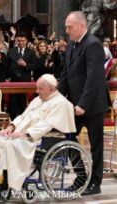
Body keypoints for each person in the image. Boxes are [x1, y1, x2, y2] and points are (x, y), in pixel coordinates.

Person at [0, 74, 76, 193]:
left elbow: (47, 125)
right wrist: (11, 127)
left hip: (41, 138)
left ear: (51, 89)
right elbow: (24, 116)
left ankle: (6, 184)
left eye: (40, 88)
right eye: (37, 87)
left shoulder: (61, 103)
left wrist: (25, 134)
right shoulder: (39, 99)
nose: (36, 91)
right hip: (24, 133)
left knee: (11, 143)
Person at [58, 11, 107, 195]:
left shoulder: (93, 44)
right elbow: (66, 75)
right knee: (69, 138)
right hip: (74, 104)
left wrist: (83, 104)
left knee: (96, 146)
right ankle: (80, 179)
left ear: (81, 26)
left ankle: (95, 183)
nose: (67, 30)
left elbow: (93, 78)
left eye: (69, 27)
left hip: (92, 105)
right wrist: (56, 99)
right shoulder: (71, 44)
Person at [7, 32, 37, 119]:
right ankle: (12, 123)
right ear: (16, 40)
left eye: (23, 41)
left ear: (26, 41)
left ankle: (22, 123)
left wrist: (26, 65)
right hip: (13, 81)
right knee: (12, 103)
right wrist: (7, 77)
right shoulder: (11, 51)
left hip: (24, 81)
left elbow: (35, 66)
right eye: (19, 41)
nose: (21, 43)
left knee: (22, 102)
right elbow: (7, 66)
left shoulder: (31, 52)